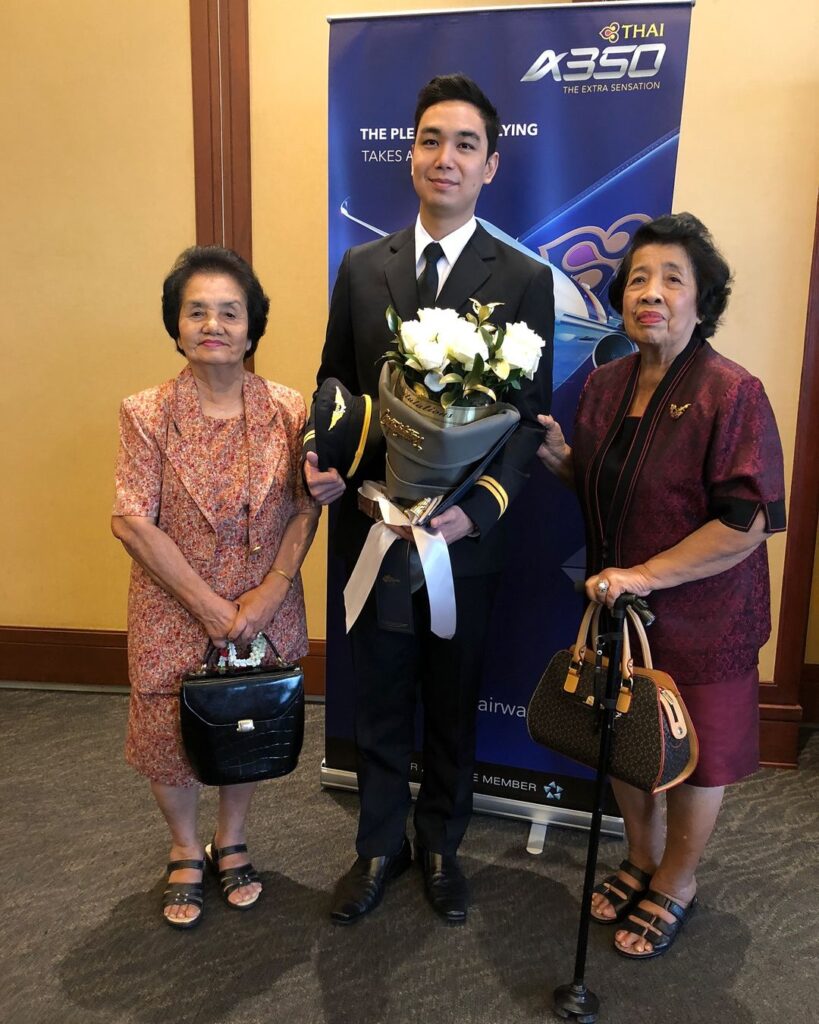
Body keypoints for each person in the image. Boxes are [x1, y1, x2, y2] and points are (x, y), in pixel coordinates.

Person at [305, 74, 555, 926]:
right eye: (429, 140)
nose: (444, 157)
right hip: (375, 524)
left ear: (491, 164)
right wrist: (326, 460)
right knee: (377, 693)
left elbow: (527, 418)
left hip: (462, 538)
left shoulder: (521, 278)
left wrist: (476, 508)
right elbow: (336, 385)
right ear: (408, 154)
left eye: (464, 144)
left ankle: (441, 843)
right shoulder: (360, 268)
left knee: (452, 696)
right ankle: (379, 844)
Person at [537, 213, 785, 959]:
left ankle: (677, 879)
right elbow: (615, 488)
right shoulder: (605, 384)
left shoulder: (731, 392)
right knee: (628, 736)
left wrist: (645, 574)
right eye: (638, 279)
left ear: (702, 301)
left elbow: (746, 521)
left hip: (705, 614)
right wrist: (565, 462)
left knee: (694, 754)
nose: (650, 293)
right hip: (621, 610)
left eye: (672, 279)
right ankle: (640, 859)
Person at [112, 246, 319, 929]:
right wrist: (206, 606)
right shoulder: (145, 412)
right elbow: (131, 520)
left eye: (230, 312)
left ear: (252, 328)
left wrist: (271, 593)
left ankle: (231, 839)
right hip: (173, 604)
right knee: (166, 730)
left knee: (245, 719)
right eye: (196, 311)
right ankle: (183, 846)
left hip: (263, 602)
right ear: (175, 327)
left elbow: (306, 506)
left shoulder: (288, 408)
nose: (213, 325)